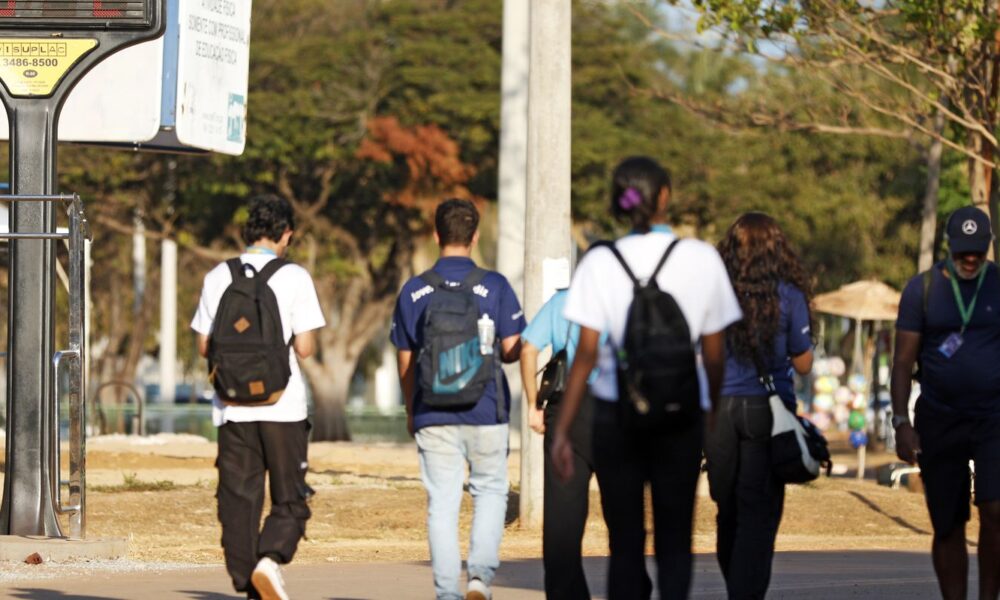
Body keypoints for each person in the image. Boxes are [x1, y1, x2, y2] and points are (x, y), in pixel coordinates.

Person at [551, 156, 742, 599]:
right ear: (664, 197)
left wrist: (563, 429)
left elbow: (584, 355)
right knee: (675, 537)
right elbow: (715, 353)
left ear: (618, 202)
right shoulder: (701, 258)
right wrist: (710, 407)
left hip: (615, 416)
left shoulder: (600, 261)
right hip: (681, 413)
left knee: (625, 543)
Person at [191, 194, 326, 600]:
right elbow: (303, 348)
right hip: (282, 406)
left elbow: (203, 346)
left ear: (248, 232)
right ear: (286, 234)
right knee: (291, 498)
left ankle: (247, 578)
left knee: (238, 500)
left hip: (232, 409)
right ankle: (270, 561)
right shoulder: (295, 276)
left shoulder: (218, 276)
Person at [391, 198, 525, 600]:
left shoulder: (414, 291)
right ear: (475, 236)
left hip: (433, 411)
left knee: (442, 505)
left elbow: (405, 357)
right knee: (490, 492)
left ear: (435, 235)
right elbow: (513, 347)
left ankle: (447, 594)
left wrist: (411, 409)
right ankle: (480, 579)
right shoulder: (496, 285)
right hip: (487, 410)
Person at [891, 205, 1000, 600]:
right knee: (948, 524)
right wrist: (901, 421)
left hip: (994, 419)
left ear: (988, 246)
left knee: (995, 512)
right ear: (948, 246)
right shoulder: (922, 290)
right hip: (939, 418)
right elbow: (903, 361)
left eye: (978, 249)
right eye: (962, 250)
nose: (970, 258)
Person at [705, 212, 814, 600]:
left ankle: (738, 586)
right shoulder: (789, 294)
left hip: (717, 409)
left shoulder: (713, 293)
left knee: (727, 507)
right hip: (766, 411)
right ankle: (744, 593)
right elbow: (802, 363)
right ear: (776, 249)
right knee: (758, 512)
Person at [520, 288, 605, 600]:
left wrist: (533, 404)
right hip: (615, 411)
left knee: (561, 518)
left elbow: (528, 349)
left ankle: (565, 594)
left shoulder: (562, 301)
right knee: (624, 518)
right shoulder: (624, 297)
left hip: (567, 409)